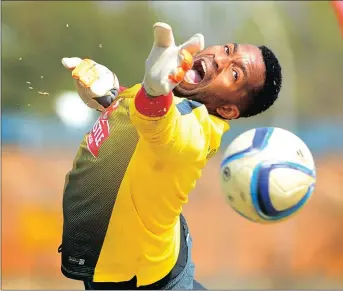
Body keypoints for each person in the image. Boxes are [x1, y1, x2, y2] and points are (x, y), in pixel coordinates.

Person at [59, 22, 282, 290]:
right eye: (226, 49)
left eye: (234, 73)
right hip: (132, 262)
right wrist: (114, 95)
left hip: (143, 282)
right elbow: (144, 121)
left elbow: (161, 125)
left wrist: (154, 92)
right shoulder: (173, 98)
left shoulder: (196, 134)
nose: (220, 59)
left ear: (227, 109)